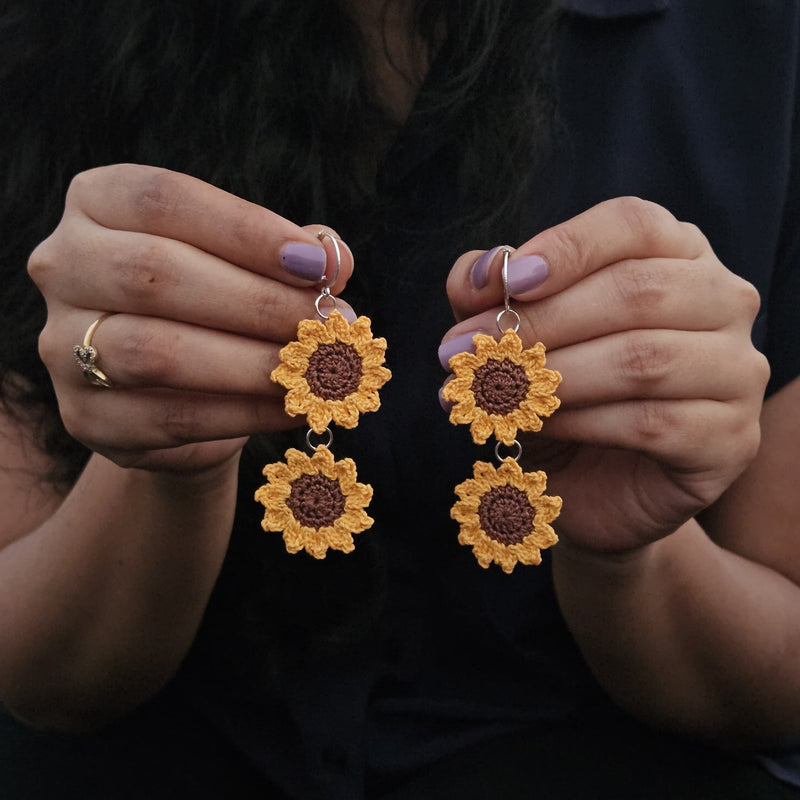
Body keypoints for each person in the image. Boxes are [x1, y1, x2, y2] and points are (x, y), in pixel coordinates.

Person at [1, 0, 799, 797]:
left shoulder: (760, 41)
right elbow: (43, 678)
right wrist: (165, 451)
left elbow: (774, 689)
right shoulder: (42, 34)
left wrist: (632, 552)